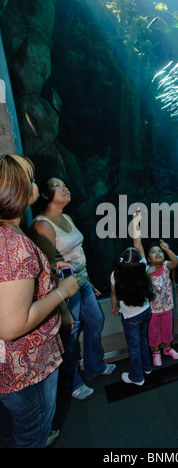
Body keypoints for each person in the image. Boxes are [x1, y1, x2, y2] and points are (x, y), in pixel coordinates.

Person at [0, 153, 79, 448]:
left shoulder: (8, 232)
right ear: (18, 190)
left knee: (12, 427)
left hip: (7, 367)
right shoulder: (13, 244)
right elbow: (11, 325)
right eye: (30, 180)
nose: (36, 184)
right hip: (26, 366)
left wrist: (43, 271)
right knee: (33, 430)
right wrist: (63, 291)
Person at [29, 177, 115, 401]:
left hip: (81, 282)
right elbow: (46, 271)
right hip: (64, 289)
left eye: (65, 184)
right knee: (69, 336)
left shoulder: (66, 217)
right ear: (46, 196)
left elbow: (77, 253)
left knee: (96, 321)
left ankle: (95, 366)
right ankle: (73, 383)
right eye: (57, 186)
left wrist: (88, 279)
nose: (65, 187)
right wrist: (62, 308)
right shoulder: (42, 225)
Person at [110, 210, 153, 386]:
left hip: (130, 317)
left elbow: (114, 294)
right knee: (143, 340)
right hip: (145, 311)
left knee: (133, 346)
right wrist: (136, 222)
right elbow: (137, 242)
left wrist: (114, 307)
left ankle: (137, 377)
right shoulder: (143, 268)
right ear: (138, 261)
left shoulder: (115, 276)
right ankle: (147, 367)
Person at [147, 240, 178, 366]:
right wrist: (147, 274)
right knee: (154, 331)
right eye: (153, 252)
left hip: (167, 307)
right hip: (153, 309)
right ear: (148, 259)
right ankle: (156, 353)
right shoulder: (147, 269)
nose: (157, 253)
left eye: (160, 251)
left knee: (167, 329)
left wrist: (167, 249)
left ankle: (168, 349)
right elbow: (141, 282)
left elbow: (176, 263)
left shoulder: (166, 266)